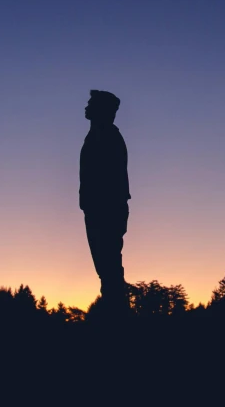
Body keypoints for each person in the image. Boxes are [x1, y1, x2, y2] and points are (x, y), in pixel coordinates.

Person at [80, 89, 131, 318]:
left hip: (105, 211)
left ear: (102, 110)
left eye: (91, 103)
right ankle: (114, 315)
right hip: (98, 210)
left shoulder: (107, 137)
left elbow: (111, 182)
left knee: (109, 270)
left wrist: (104, 209)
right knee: (107, 270)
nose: (86, 106)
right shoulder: (98, 135)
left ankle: (116, 319)